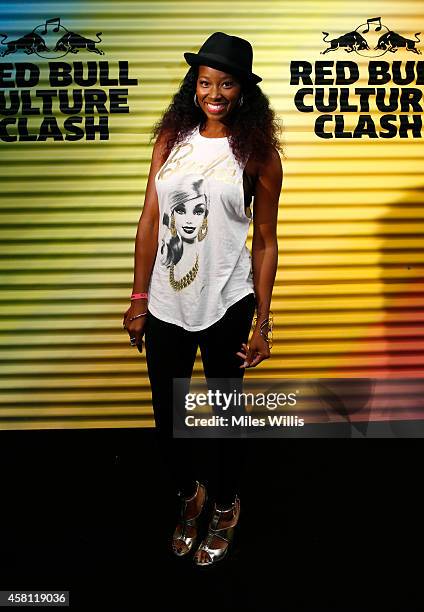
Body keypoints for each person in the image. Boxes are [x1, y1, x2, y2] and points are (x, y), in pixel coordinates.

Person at [122, 31, 283, 566]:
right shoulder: (171, 139)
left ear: (244, 91)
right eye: (205, 81)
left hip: (227, 300)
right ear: (194, 85)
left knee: (226, 416)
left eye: (226, 83)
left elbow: (264, 241)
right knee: (168, 418)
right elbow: (149, 220)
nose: (213, 92)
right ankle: (190, 496)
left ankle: (226, 504)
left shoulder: (258, 154)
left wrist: (263, 323)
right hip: (167, 301)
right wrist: (140, 298)